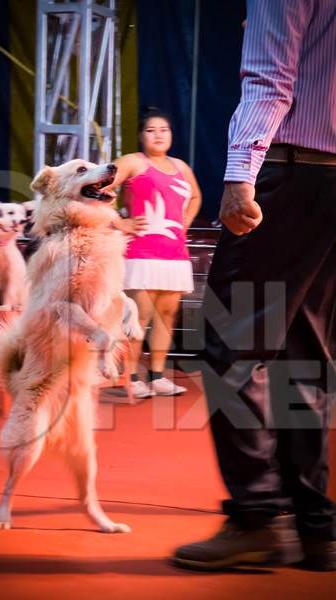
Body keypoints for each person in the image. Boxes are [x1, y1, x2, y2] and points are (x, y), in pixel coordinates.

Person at [173, 0, 336, 571]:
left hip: (291, 174)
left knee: (230, 346)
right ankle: (317, 527)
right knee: (305, 356)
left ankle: (257, 515)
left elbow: (270, 74)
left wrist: (240, 174)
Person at [109, 108, 202, 398]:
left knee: (166, 314)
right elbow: (96, 188)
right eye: (151, 130)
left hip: (174, 254)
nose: (158, 134)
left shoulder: (181, 166)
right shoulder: (132, 162)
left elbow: (196, 196)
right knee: (140, 316)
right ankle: (133, 376)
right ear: (141, 135)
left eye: (164, 129)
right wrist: (119, 222)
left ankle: (158, 376)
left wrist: (184, 221)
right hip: (141, 252)